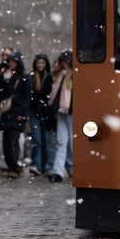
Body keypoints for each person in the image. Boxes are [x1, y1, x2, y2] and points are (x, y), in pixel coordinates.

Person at [0, 51, 31, 179]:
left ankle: (14, 167)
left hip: (17, 112)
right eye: (10, 61)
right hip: (7, 112)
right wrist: (3, 79)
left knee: (13, 141)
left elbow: (27, 97)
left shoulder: (25, 77)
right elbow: (0, 92)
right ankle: (12, 166)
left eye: (13, 61)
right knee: (6, 142)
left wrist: (22, 114)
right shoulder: (7, 75)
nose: (11, 64)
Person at [46, 50, 74, 182]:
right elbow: (55, 94)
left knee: (71, 142)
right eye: (62, 61)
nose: (64, 63)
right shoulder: (60, 75)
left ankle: (70, 168)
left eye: (66, 61)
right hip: (62, 111)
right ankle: (57, 171)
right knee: (62, 141)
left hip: (70, 111)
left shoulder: (73, 75)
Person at [28, 53, 56, 176]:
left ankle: (43, 165)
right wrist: (36, 101)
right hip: (34, 111)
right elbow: (29, 94)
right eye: (38, 63)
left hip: (46, 112)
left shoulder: (49, 77)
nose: (40, 65)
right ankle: (36, 164)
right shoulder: (31, 77)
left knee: (45, 140)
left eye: (42, 63)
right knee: (37, 139)